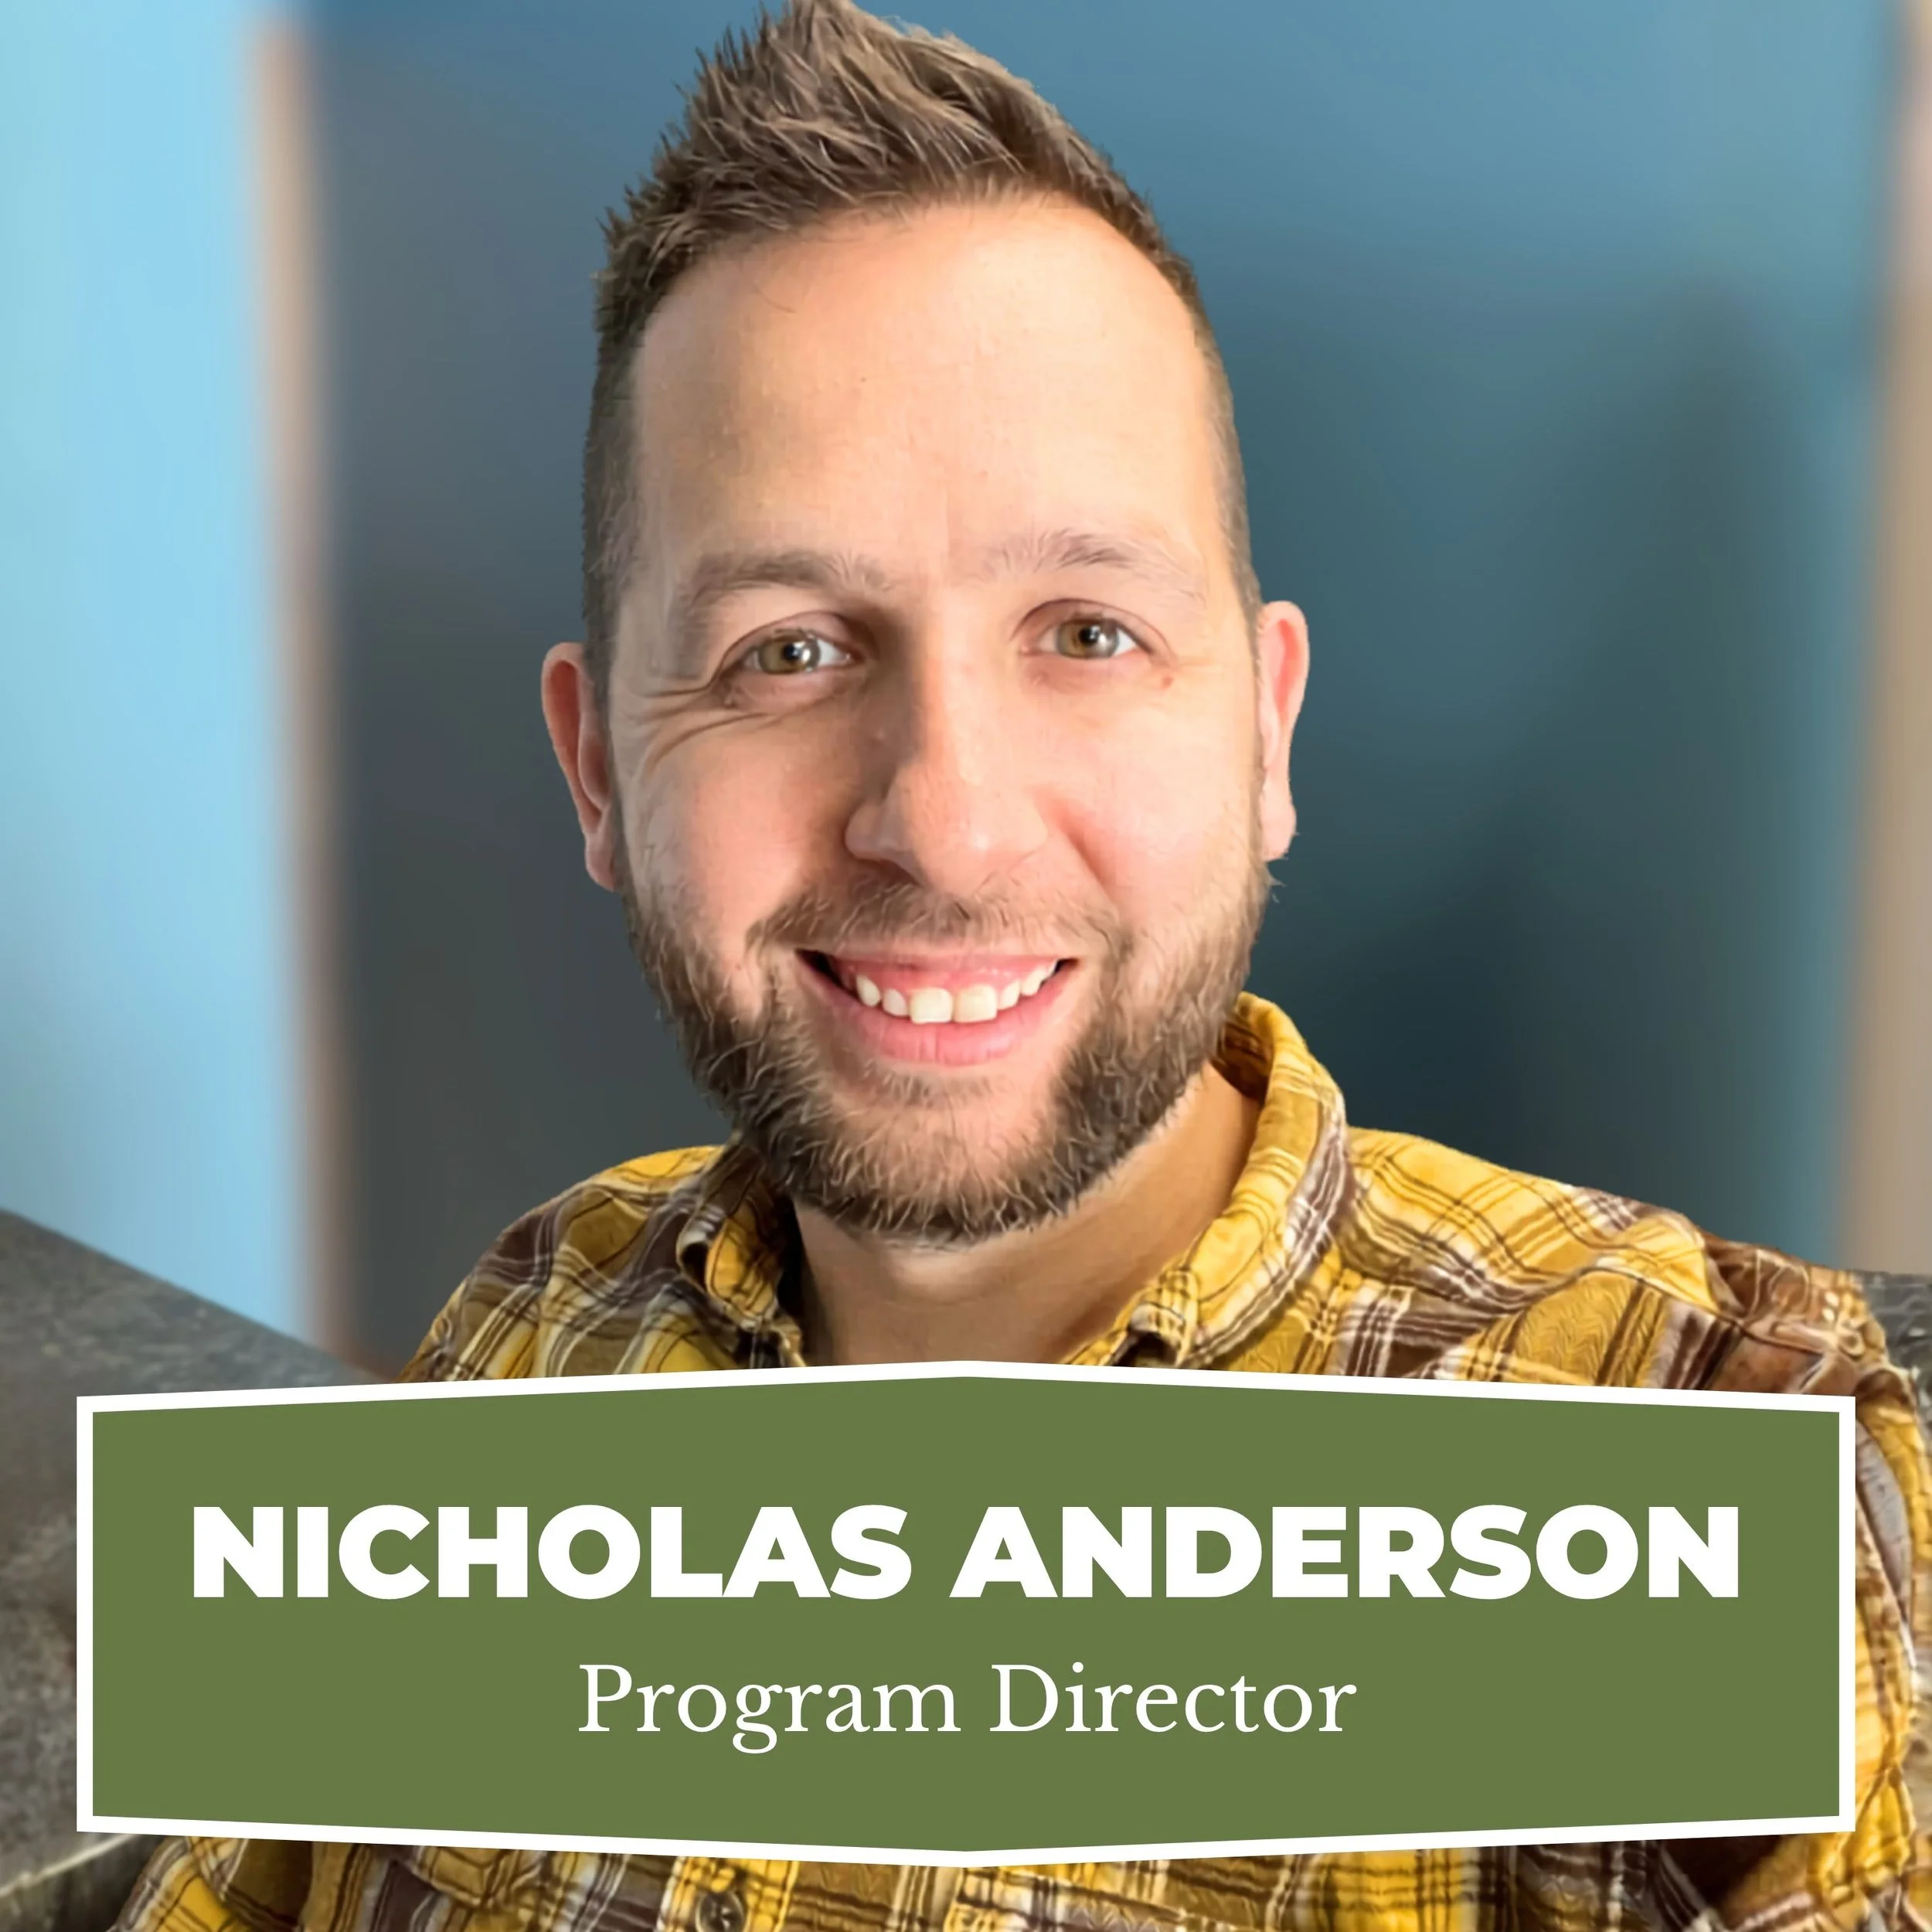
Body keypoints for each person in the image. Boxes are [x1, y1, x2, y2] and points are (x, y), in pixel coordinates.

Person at [120, 1, 1929, 1926]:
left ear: (1263, 739)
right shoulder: (531, 1332)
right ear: (592, 769)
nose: (947, 820)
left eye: (1082, 631)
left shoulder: (1744, 1451)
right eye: (789, 649)